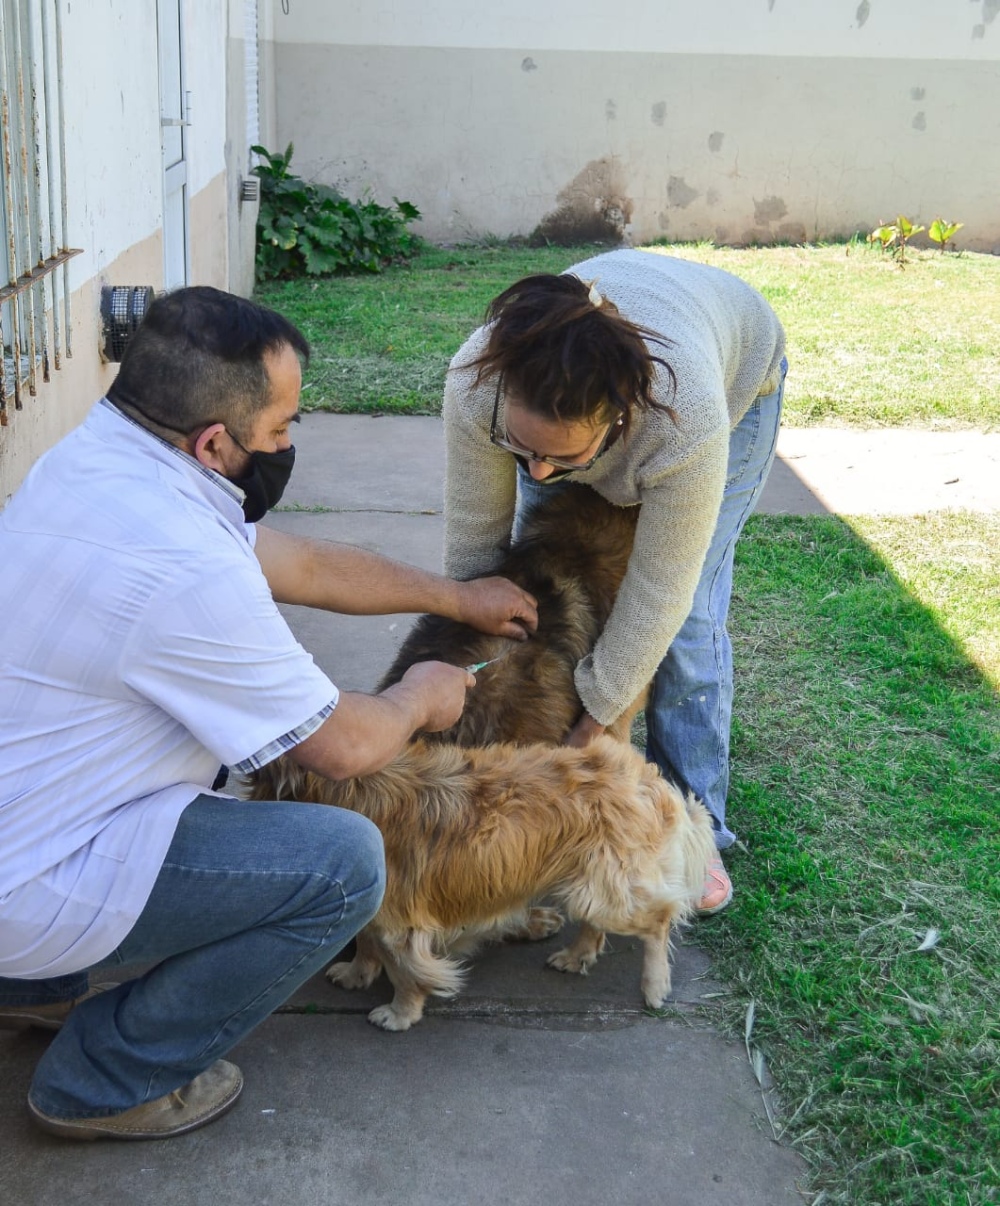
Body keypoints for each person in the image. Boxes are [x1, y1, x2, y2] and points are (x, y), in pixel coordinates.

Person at [0, 285, 538, 1141]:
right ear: (215, 444)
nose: (289, 445)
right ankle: (107, 1079)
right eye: (282, 429)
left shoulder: (90, 461)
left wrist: (457, 596)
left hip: (24, 823)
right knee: (342, 864)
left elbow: (305, 565)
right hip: (29, 882)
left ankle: (30, 991)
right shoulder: (184, 570)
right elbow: (346, 746)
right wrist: (418, 695)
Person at [442, 248, 787, 915]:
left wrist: (597, 723)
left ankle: (692, 825)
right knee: (532, 589)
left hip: (737, 373)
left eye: (558, 457)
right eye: (525, 452)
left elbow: (661, 592)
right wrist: (471, 667)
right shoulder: (478, 386)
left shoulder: (685, 420)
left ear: (619, 417)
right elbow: (477, 561)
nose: (537, 475)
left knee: (684, 624)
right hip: (580, 409)